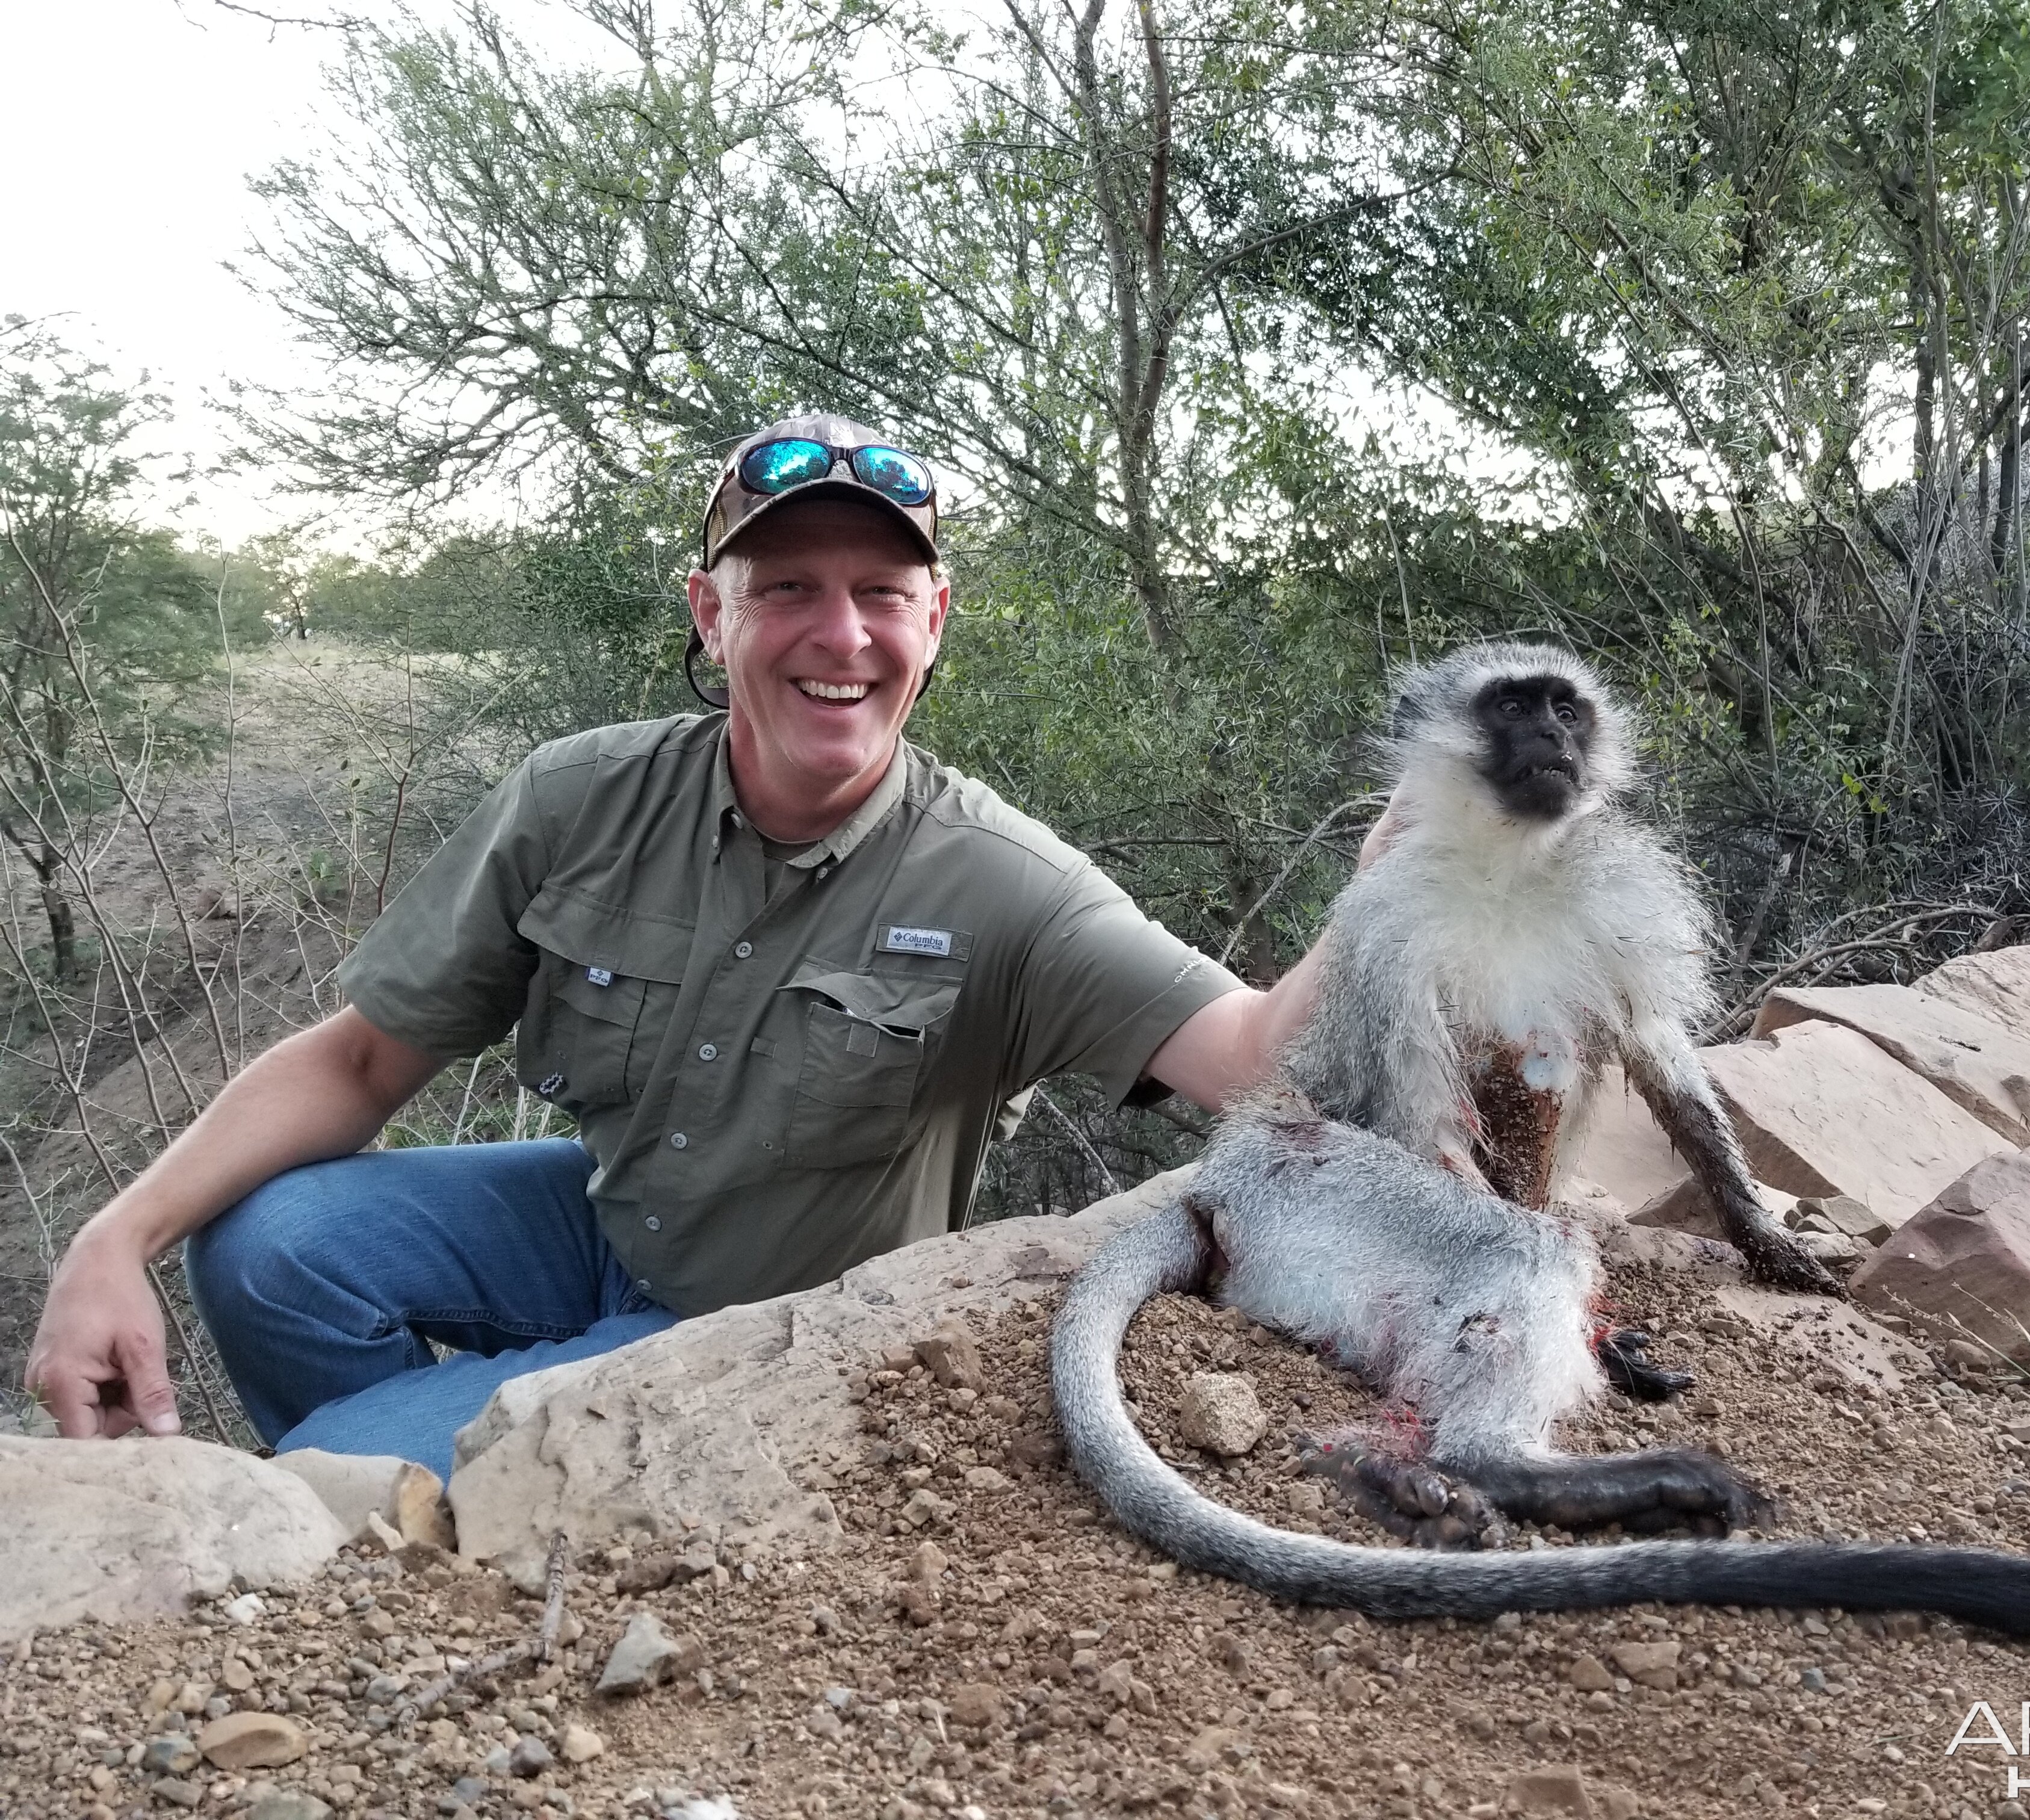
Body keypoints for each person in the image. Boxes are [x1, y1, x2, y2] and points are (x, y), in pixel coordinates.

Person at [22, 413, 1333, 1476]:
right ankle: (497, 1508)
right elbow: (364, 1061)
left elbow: (1257, 1056)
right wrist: (112, 1236)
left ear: (934, 624)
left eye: (884, 592)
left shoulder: (1003, 883)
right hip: (612, 1226)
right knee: (268, 1242)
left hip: (779, 1343)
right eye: (789, 592)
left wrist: (1407, 883)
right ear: (712, 616)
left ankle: (455, 1494)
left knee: (328, 1466)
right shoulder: (577, 798)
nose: (842, 635)